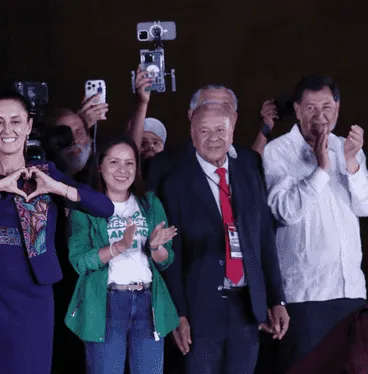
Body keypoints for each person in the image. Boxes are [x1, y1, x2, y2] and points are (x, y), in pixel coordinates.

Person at [0, 91, 114, 374]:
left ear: (29, 126)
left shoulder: (45, 172)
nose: (8, 130)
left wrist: (57, 188)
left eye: (16, 121)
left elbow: (104, 207)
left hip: (32, 292)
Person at [159, 104, 288, 374]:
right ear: (192, 135)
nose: (213, 138)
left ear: (232, 132)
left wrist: (277, 299)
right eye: (204, 131)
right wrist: (178, 313)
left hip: (247, 306)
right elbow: (173, 254)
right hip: (199, 310)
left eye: (220, 129)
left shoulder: (249, 173)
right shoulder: (175, 184)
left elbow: (265, 240)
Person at [263, 75, 368, 372]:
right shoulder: (278, 151)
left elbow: (365, 206)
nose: (319, 116)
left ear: (337, 107)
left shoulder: (348, 147)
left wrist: (351, 163)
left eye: (326, 107)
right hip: (306, 295)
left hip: (351, 291)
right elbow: (284, 212)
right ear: (297, 110)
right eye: (310, 108)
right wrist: (321, 169)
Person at [66, 136, 178, 374]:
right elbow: (79, 261)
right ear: (100, 166)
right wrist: (119, 246)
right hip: (107, 302)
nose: (123, 170)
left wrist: (156, 247)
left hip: (148, 302)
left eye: (129, 163)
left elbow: (166, 260)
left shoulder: (149, 203)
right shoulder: (86, 208)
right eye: (114, 162)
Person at [145, 84, 239, 194]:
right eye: (206, 107)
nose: (215, 115)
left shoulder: (250, 162)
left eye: (225, 108)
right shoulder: (164, 165)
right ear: (191, 115)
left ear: (234, 117)